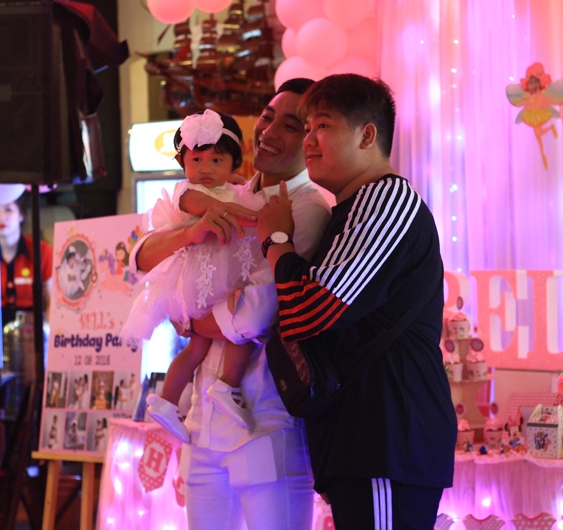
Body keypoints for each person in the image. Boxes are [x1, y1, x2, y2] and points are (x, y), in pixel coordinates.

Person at [129, 78, 331, 530]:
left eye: (291, 125)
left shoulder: (306, 207)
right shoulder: (228, 190)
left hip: (263, 421)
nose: (270, 131)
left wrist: (187, 317)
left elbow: (254, 314)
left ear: (312, 139)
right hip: (202, 424)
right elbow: (139, 257)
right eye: (267, 117)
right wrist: (189, 232)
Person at [257, 73, 456, 530]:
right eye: (307, 128)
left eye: (323, 126)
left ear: (367, 135)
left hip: (386, 440)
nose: (309, 140)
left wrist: (277, 242)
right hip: (365, 442)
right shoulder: (351, 207)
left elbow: (312, 308)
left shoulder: (386, 199)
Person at [121, 109, 266, 440]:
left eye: (216, 161)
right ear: (182, 162)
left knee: (198, 348)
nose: (205, 169)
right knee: (239, 329)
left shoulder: (234, 188)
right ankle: (227, 385)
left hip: (213, 277)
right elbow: (213, 208)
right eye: (197, 160)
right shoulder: (186, 193)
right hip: (202, 278)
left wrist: (238, 188)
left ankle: (166, 402)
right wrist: (257, 217)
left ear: (233, 164)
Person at [0, 196, 54, 326]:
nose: (1, 216)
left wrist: (46, 332)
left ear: (21, 215)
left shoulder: (41, 250)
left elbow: (52, 302)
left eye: (8, 210)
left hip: (34, 327)